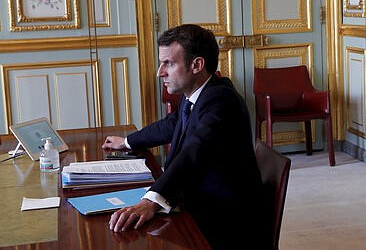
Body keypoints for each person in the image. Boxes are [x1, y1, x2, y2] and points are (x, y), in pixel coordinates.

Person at [102, 24, 271, 249]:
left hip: (224, 220)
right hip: (199, 200)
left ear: (197, 65)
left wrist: (151, 201)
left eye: (169, 64)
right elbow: (171, 124)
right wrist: (127, 141)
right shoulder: (196, 93)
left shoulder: (221, 101)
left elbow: (195, 150)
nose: (160, 72)